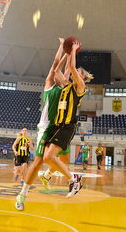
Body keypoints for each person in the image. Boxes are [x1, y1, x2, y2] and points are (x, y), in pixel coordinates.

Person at [15, 38, 80, 211]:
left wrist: (70, 54)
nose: (60, 75)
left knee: (60, 158)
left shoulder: (66, 89)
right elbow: (55, 66)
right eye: (59, 75)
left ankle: (51, 176)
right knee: (38, 162)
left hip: (60, 127)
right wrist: (62, 48)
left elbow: (67, 70)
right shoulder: (50, 87)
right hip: (46, 128)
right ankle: (23, 194)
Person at [42, 41, 93, 198]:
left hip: (67, 126)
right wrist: (65, 53)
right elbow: (56, 70)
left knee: (49, 157)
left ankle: (73, 180)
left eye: (78, 72)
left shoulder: (80, 87)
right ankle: (55, 175)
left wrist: (72, 50)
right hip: (57, 125)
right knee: (46, 157)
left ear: (82, 76)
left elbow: (71, 68)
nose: (75, 72)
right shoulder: (66, 85)